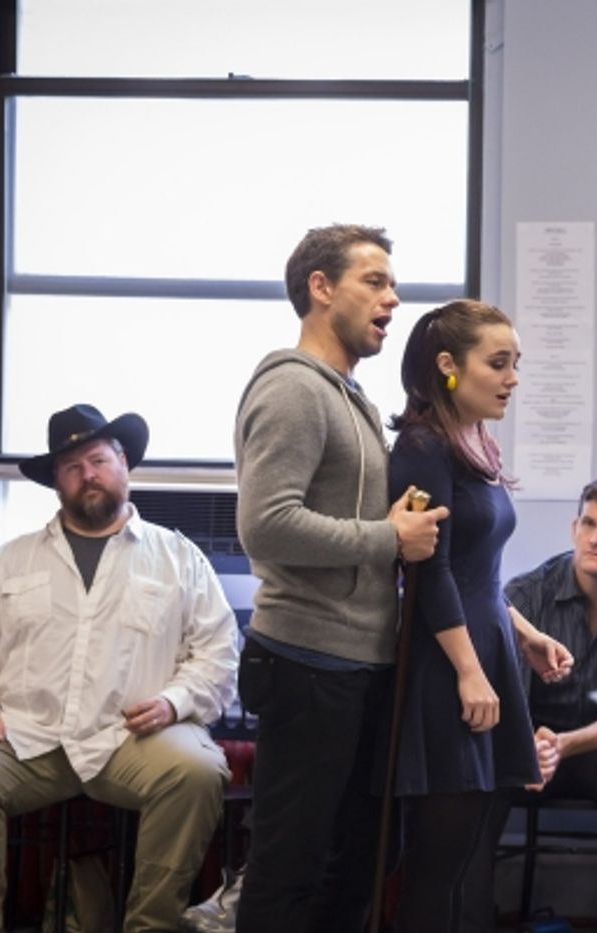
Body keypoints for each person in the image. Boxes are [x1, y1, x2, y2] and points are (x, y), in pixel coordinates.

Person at [233, 224, 443, 932]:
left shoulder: (347, 394)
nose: (394, 296)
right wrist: (389, 537)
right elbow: (265, 525)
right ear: (321, 289)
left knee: (351, 866)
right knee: (289, 866)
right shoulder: (295, 390)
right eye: (375, 281)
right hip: (306, 661)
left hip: (356, 662)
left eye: (392, 283)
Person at [0, 403, 238, 932]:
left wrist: (174, 702)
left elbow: (217, 651)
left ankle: (151, 925)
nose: (87, 474)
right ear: (57, 483)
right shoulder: (13, 559)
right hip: (29, 737)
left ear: (123, 464)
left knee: (199, 772)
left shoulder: (178, 558)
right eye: (72, 467)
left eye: (97, 459)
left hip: (131, 740)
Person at [383, 300, 573, 932]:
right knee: (437, 867)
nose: (513, 377)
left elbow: (479, 573)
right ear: (448, 367)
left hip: (484, 644)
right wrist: (468, 670)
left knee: (466, 861)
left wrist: (523, 633)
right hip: (446, 664)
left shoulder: (475, 442)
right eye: (498, 363)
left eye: (515, 363)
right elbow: (428, 572)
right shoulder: (420, 446)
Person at [463, 476, 597, 933]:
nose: (595, 538)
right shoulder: (527, 594)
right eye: (588, 523)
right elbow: (509, 695)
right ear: (574, 527)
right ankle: (464, 921)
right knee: (479, 760)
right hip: (529, 749)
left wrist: (564, 744)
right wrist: (531, 747)